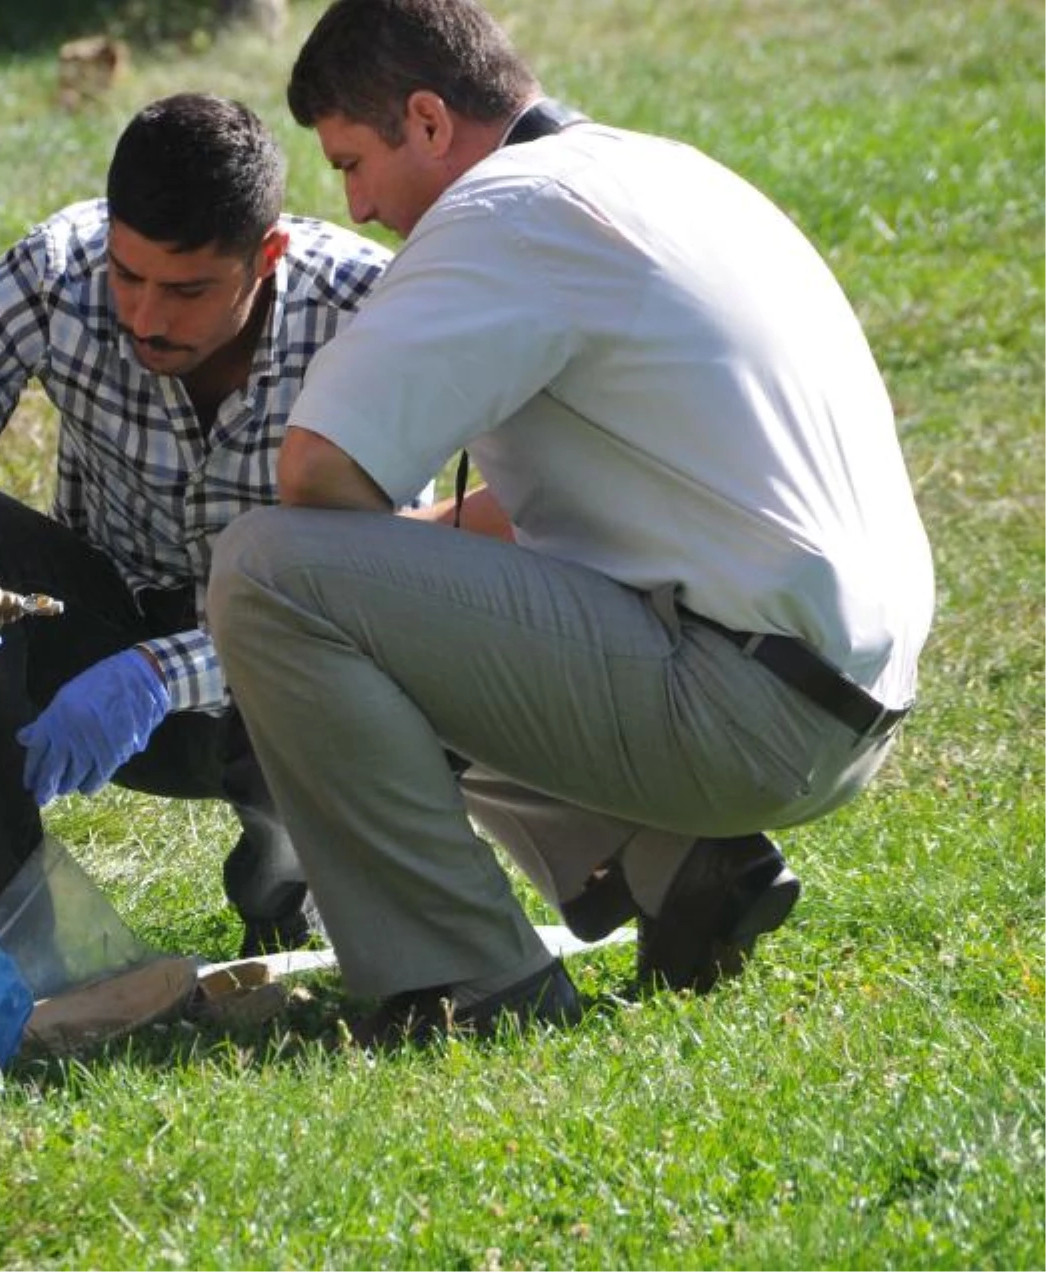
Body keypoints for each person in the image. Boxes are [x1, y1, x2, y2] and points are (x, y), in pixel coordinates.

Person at [206, 0, 935, 1040]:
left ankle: (469, 982)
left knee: (267, 572)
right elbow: (632, 495)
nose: (359, 207)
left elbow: (317, 472)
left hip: (745, 710)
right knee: (355, 591)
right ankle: (683, 866)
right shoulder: (661, 172)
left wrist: (359, 595)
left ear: (426, 119)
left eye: (352, 162)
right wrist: (407, 570)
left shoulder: (506, 209)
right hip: (842, 696)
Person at [0, 92, 408, 955]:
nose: (146, 317)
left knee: (339, 662)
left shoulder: (367, 312)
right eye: (129, 276)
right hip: (95, 633)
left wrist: (161, 673)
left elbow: (378, 601)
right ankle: (8, 943)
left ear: (268, 254)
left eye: (186, 290)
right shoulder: (55, 272)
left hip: (291, 663)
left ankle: (286, 900)